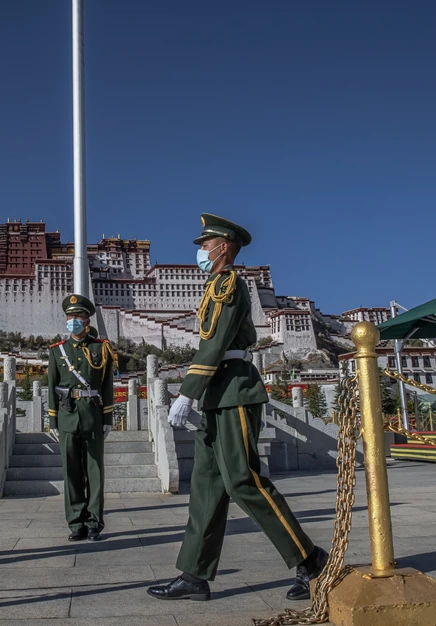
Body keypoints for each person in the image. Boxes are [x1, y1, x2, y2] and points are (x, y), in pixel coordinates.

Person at [147, 213, 328, 603]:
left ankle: (311, 559)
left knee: (244, 481)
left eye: (205, 244)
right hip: (218, 391)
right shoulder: (214, 285)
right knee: (207, 487)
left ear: (223, 247)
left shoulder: (228, 284)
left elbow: (215, 342)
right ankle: (194, 574)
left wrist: (187, 392)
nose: (200, 251)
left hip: (235, 390)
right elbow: (210, 344)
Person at [47, 294, 117, 542]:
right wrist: (53, 421)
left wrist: (108, 418)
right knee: (71, 471)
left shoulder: (101, 348)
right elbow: (51, 386)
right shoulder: (57, 351)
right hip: (67, 415)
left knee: (94, 470)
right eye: (70, 317)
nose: (73, 321)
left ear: (87, 320)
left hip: (93, 414)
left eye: (78, 316)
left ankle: (94, 522)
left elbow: (107, 384)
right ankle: (76, 522)